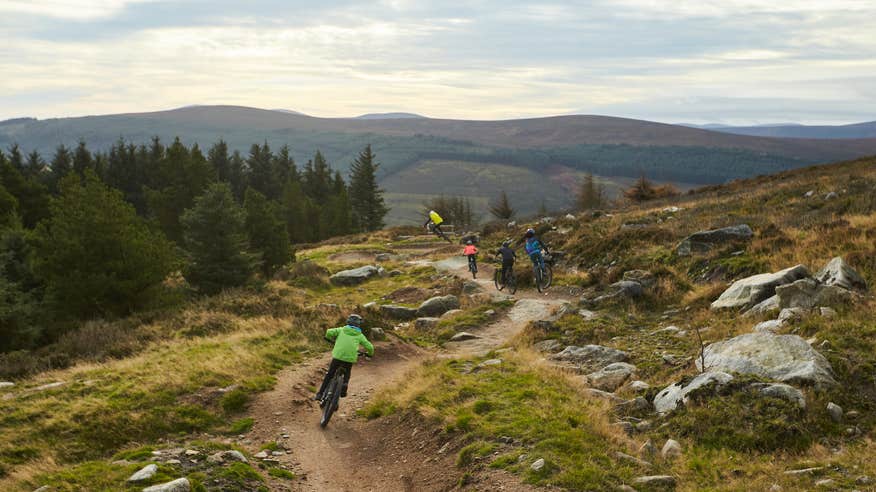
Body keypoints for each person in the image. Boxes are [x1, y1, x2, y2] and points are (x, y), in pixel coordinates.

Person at [315, 314, 374, 404]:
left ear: (348, 322)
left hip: (338, 356)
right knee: (347, 370)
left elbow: (329, 332)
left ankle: (320, 394)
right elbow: (370, 347)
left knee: (330, 374)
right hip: (349, 358)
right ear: (358, 325)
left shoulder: (341, 330)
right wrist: (369, 354)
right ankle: (345, 384)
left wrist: (329, 338)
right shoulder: (360, 335)